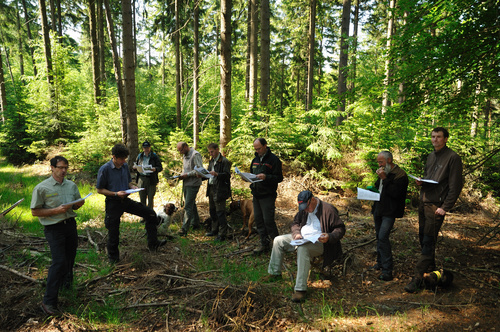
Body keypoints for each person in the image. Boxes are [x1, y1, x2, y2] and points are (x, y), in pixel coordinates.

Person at [405, 127, 463, 293]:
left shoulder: (453, 158)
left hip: (436, 206)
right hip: (424, 202)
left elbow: (455, 185)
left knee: (428, 241)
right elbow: (431, 178)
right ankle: (434, 274)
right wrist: (421, 182)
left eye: (438, 137)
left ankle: (416, 279)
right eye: (433, 136)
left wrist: (445, 207)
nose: (435, 139)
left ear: (445, 139)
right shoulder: (431, 156)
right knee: (424, 239)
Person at [264, 191, 346, 302]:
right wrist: (297, 234)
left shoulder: (328, 209)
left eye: (307, 207)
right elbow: (295, 223)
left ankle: (300, 289)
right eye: (303, 208)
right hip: (302, 238)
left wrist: (329, 236)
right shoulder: (304, 209)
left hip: (320, 243)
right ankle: (274, 273)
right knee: (279, 240)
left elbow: (340, 229)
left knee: (303, 249)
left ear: (312, 199)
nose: (305, 210)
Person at [31, 156, 85, 315]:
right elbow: (35, 211)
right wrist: (55, 211)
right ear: (52, 168)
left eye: (66, 168)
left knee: (69, 258)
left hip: (70, 226)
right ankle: (48, 302)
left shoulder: (71, 185)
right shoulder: (42, 188)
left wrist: (78, 204)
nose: (63, 171)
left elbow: (76, 205)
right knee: (59, 261)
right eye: (60, 167)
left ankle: (66, 288)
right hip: (53, 228)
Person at [96, 144, 166, 264]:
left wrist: (132, 186)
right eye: (121, 159)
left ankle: (153, 243)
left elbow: (128, 182)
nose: (124, 161)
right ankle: (113, 259)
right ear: (114, 157)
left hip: (125, 200)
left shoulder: (123, 167)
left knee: (150, 213)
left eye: (125, 159)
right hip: (113, 202)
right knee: (113, 231)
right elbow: (99, 189)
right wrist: (115, 194)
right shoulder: (105, 169)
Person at [371, 151, 408, 281]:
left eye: (381, 162)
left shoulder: (400, 175)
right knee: (378, 236)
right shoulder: (384, 171)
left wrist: (384, 179)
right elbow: (379, 188)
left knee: (383, 237)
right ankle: (380, 262)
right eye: (378, 162)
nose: (379, 165)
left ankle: (388, 270)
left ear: (389, 161)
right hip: (378, 208)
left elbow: (395, 193)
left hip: (390, 211)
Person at [250, 138, 284, 254]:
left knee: (268, 220)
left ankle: (278, 245)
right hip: (256, 194)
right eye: (255, 149)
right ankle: (264, 244)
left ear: (265, 146)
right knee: (258, 221)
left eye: (259, 148)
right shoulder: (255, 159)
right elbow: (252, 174)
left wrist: (266, 177)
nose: (257, 151)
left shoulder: (273, 160)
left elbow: (279, 178)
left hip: (267, 195)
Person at [204, 143, 232, 241]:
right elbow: (208, 173)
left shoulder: (224, 161)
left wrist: (217, 174)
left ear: (217, 149)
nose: (211, 154)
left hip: (220, 189)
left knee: (220, 212)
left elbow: (227, 175)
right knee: (212, 210)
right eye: (209, 152)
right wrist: (202, 176)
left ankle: (222, 234)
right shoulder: (211, 161)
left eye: (212, 151)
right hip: (211, 188)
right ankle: (214, 229)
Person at [177, 141, 203, 236]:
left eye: (181, 150)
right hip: (186, 183)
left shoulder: (195, 155)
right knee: (191, 204)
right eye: (179, 151)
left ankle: (184, 229)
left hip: (194, 183)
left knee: (188, 206)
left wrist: (187, 175)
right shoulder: (185, 155)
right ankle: (196, 223)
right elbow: (186, 169)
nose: (180, 152)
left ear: (186, 147)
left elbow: (199, 170)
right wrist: (181, 175)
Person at [133, 141, 163, 209]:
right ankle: (143, 216)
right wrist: (135, 167)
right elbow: (136, 165)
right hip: (141, 178)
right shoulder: (140, 156)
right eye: (144, 148)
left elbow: (160, 167)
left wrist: (155, 169)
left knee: (150, 198)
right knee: (142, 198)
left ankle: (150, 216)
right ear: (143, 148)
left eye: (147, 148)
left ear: (150, 148)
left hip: (151, 179)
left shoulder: (154, 156)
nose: (146, 149)